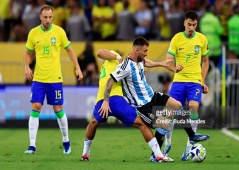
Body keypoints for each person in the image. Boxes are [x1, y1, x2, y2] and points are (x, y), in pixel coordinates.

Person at [99, 36, 210, 162]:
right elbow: (110, 81)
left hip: (153, 96)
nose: (146, 53)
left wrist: (161, 63)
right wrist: (106, 101)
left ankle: (192, 136)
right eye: (145, 51)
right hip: (143, 105)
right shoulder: (125, 66)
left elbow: (147, 62)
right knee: (165, 124)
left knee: (177, 105)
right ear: (137, 51)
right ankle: (155, 155)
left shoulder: (140, 60)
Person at [81, 49, 173, 162]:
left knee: (93, 122)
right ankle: (158, 154)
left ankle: (85, 153)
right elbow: (99, 52)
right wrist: (118, 57)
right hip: (108, 100)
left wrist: (142, 71)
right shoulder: (117, 58)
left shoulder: (123, 66)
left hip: (113, 100)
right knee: (140, 124)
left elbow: (143, 63)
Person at [23, 5, 83, 154]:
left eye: (50, 17)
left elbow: (69, 49)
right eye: (45, 17)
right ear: (40, 17)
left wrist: (77, 67)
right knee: (35, 107)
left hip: (55, 78)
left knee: (58, 110)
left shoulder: (59, 32)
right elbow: (27, 52)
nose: (48, 20)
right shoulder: (33, 33)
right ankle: (32, 145)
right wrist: (26, 66)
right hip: (39, 78)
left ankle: (66, 140)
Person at [160, 10, 210, 161]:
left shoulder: (202, 39)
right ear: (184, 23)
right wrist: (175, 68)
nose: (191, 28)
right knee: (170, 113)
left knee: (193, 108)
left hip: (194, 81)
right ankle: (167, 143)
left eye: (194, 25)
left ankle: (190, 146)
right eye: (189, 24)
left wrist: (202, 80)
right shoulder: (177, 38)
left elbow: (206, 61)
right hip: (179, 81)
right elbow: (168, 61)